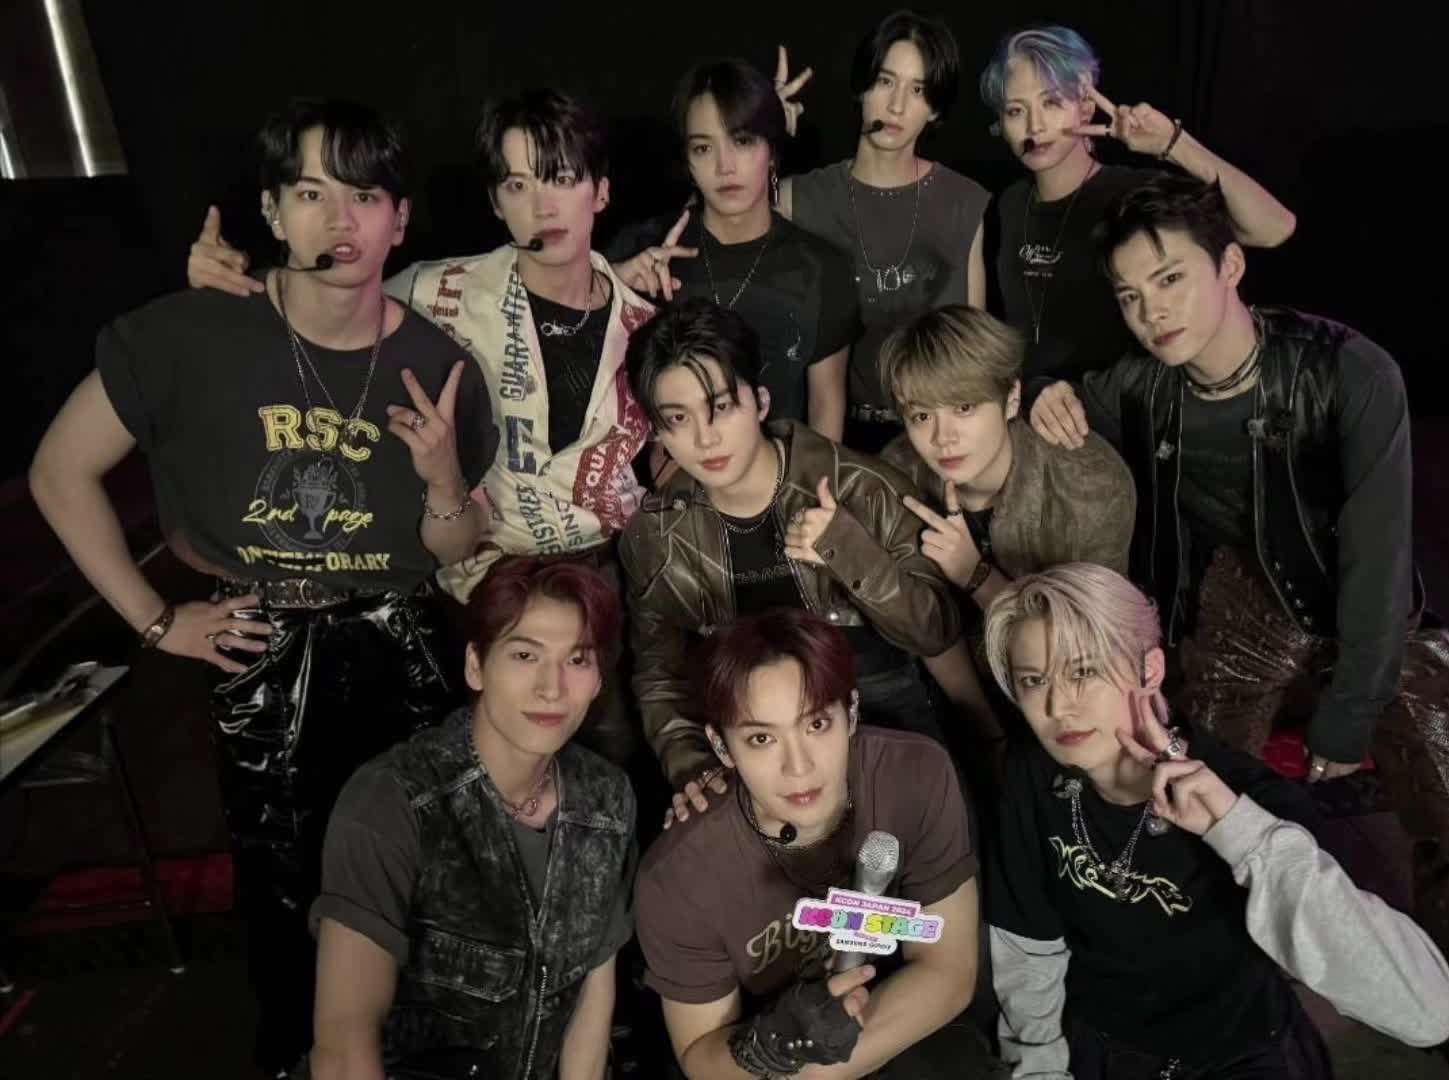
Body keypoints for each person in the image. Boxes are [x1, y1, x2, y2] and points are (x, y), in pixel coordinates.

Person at [28, 99, 495, 1073]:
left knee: (421, 875)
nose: (341, 220)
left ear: (400, 219)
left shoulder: (437, 363)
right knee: (288, 890)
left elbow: (452, 543)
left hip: (405, 645)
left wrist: (445, 477)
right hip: (265, 644)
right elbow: (58, 472)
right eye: (311, 193)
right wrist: (156, 622)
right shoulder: (190, 333)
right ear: (274, 212)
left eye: (364, 195)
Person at [1028, 172, 1449, 971]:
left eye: (1170, 280)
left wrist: (1352, 709)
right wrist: (1040, 393)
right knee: (1202, 804)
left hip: (1364, 613)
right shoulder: (1139, 386)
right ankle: (1231, 973)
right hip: (1238, 621)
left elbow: (1379, 561)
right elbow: (1051, 398)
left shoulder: (1349, 371)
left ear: (1229, 266)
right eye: (1129, 297)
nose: (1152, 312)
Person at [188, 88, 659, 765]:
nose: (542, 206)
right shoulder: (437, 292)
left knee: (612, 761)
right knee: (484, 771)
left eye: (560, 179)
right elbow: (325, 301)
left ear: (601, 191)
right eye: (517, 184)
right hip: (480, 577)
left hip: (601, 577)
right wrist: (235, 282)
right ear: (494, 201)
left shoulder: (645, 323)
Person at [984, 563, 1449, 1078]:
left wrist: (1241, 833)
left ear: (1150, 670)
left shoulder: (1249, 800)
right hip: (1104, 1049)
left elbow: (1428, 1014)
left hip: (1241, 1056)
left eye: (1083, 672)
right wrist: (1040, 1069)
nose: (1058, 706)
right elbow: (1028, 950)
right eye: (1034, 680)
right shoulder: (1032, 777)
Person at [618, 298, 962, 814]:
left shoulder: (861, 487)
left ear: (759, 401)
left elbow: (935, 629)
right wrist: (692, 764)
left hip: (878, 707)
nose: (705, 438)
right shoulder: (656, 536)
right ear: (659, 433)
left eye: (720, 408)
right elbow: (659, 676)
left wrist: (849, 551)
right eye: (678, 419)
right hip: (755, 738)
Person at [635, 608, 1000, 1079]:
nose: (799, 767)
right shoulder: (679, 874)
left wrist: (821, 1071)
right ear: (722, 747)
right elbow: (701, 1057)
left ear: (851, 712)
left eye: (816, 725)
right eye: (762, 738)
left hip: (899, 1028)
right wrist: (773, 1049)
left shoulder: (915, 775)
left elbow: (948, 971)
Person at [306, 557, 636, 1080]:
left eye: (577, 660)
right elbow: (345, 1046)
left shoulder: (606, 798)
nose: (552, 688)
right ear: (476, 665)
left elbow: (591, 1008)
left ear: (598, 680)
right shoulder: (391, 800)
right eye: (525, 655)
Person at [877, 303, 1135, 757]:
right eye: (921, 416)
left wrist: (975, 575)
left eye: (964, 407)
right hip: (952, 701)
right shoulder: (897, 474)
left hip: (1074, 708)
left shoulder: (1090, 483)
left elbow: (1087, 651)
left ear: (1012, 399)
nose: (943, 438)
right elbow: (915, 623)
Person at [978, 24, 1296, 385]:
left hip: (1121, 404)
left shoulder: (1135, 194)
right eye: (1016, 111)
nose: (1034, 126)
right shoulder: (1009, 202)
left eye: (1051, 102)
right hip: (1033, 402)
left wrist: (1172, 143)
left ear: (1085, 106)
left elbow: (1273, 228)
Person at [609, 58, 860, 442]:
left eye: (742, 141)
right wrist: (612, 282)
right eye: (703, 148)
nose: (725, 166)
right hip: (668, 475)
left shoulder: (822, 268)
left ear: (772, 150)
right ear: (687, 160)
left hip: (784, 472)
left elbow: (826, 415)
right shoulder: (644, 251)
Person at [775, 10, 992, 453]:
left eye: (918, 90)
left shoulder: (962, 201)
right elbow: (712, 230)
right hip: (831, 436)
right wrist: (755, 128)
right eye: (885, 81)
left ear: (935, 109)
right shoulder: (799, 199)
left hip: (937, 444)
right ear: (861, 86)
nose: (896, 106)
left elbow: (974, 356)